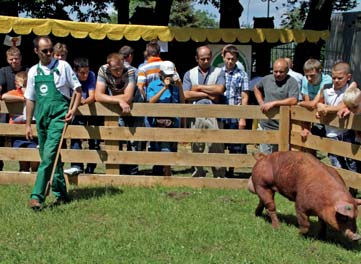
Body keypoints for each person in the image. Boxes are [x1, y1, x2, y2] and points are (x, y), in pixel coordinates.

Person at [25, 36, 82, 210]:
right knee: (50, 158)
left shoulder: (62, 66)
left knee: (49, 155)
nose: (50, 53)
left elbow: (77, 89)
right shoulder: (33, 71)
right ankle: (61, 194)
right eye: (45, 51)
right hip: (41, 118)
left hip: (59, 117)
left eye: (51, 50)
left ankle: (37, 196)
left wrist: (72, 110)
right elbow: (30, 99)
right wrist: (28, 124)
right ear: (36, 51)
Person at [183, 45, 226, 178]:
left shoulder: (219, 72)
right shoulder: (189, 73)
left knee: (216, 144)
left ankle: (219, 174)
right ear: (197, 59)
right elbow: (185, 94)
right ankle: (198, 172)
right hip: (195, 112)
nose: (206, 61)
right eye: (203, 59)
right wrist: (207, 95)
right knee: (196, 144)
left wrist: (198, 88)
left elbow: (219, 90)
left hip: (214, 112)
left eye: (208, 58)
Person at [94, 53, 136, 175]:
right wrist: (118, 100)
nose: (118, 72)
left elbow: (128, 97)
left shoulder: (130, 71)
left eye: (120, 68)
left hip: (134, 104)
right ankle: (120, 170)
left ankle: (133, 172)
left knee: (134, 140)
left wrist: (112, 98)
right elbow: (97, 95)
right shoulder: (103, 70)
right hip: (117, 104)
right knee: (118, 137)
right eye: (115, 69)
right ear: (108, 66)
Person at [316, 62, 358, 173]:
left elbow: (344, 104)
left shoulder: (351, 90)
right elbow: (319, 102)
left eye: (340, 78)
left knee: (351, 162)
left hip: (347, 132)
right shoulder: (326, 88)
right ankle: (342, 187)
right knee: (336, 162)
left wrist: (326, 109)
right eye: (334, 77)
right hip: (330, 132)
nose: (336, 80)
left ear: (348, 77)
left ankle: (353, 187)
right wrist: (319, 107)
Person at [146, 61, 185, 176]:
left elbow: (182, 102)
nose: (169, 77)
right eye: (166, 75)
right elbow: (151, 102)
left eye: (170, 74)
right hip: (157, 122)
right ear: (160, 74)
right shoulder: (153, 85)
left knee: (169, 148)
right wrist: (164, 88)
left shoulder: (176, 86)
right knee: (163, 147)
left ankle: (164, 169)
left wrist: (180, 86)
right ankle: (166, 171)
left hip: (173, 122)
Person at [253, 58, 299, 154]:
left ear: (287, 71)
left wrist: (274, 103)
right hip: (266, 124)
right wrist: (261, 102)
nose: (278, 74)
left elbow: (293, 100)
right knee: (266, 158)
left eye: (281, 72)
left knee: (282, 158)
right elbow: (256, 88)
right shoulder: (266, 79)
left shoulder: (292, 82)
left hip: (284, 127)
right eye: (275, 71)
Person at [64, 57, 99, 175]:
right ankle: (76, 165)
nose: (85, 75)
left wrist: (84, 101)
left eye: (87, 72)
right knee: (75, 136)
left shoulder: (92, 76)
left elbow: (92, 95)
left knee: (94, 139)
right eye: (82, 73)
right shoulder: (70, 76)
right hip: (76, 111)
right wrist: (77, 101)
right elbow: (69, 94)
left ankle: (91, 167)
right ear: (75, 71)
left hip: (91, 110)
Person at [221, 44, 250, 177]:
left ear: (236, 59)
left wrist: (242, 117)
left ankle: (231, 170)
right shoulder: (218, 72)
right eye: (228, 58)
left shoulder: (242, 74)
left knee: (234, 145)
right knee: (220, 143)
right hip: (220, 113)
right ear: (223, 57)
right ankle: (220, 169)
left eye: (233, 59)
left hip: (235, 113)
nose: (230, 61)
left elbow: (244, 96)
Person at [2, 71, 39, 172]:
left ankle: (35, 173)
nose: (22, 86)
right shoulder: (14, 93)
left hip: (33, 129)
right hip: (17, 131)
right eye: (20, 84)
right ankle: (23, 172)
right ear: (16, 84)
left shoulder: (35, 93)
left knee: (35, 154)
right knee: (22, 157)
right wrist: (22, 98)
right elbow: (4, 96)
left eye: (25, 84)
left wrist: (28, 95)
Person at [0, 46, 27, 171]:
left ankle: (24, 168)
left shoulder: (28, 71)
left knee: (23, 139)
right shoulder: (3, 71)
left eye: (16, 59)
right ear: (7, 59)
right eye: (11, 59)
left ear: (20, 58)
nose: (14, 61)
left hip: (24, 111)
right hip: (6, 110)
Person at [298, 59, 332, 140]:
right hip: (313, 114)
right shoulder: (305, 80)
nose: (309, 79)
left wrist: (299, 103)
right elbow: (308, 104)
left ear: (320, 71)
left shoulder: (327, 80)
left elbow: (313, 104)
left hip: (327, 115)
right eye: (307, 75)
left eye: (312, 75)